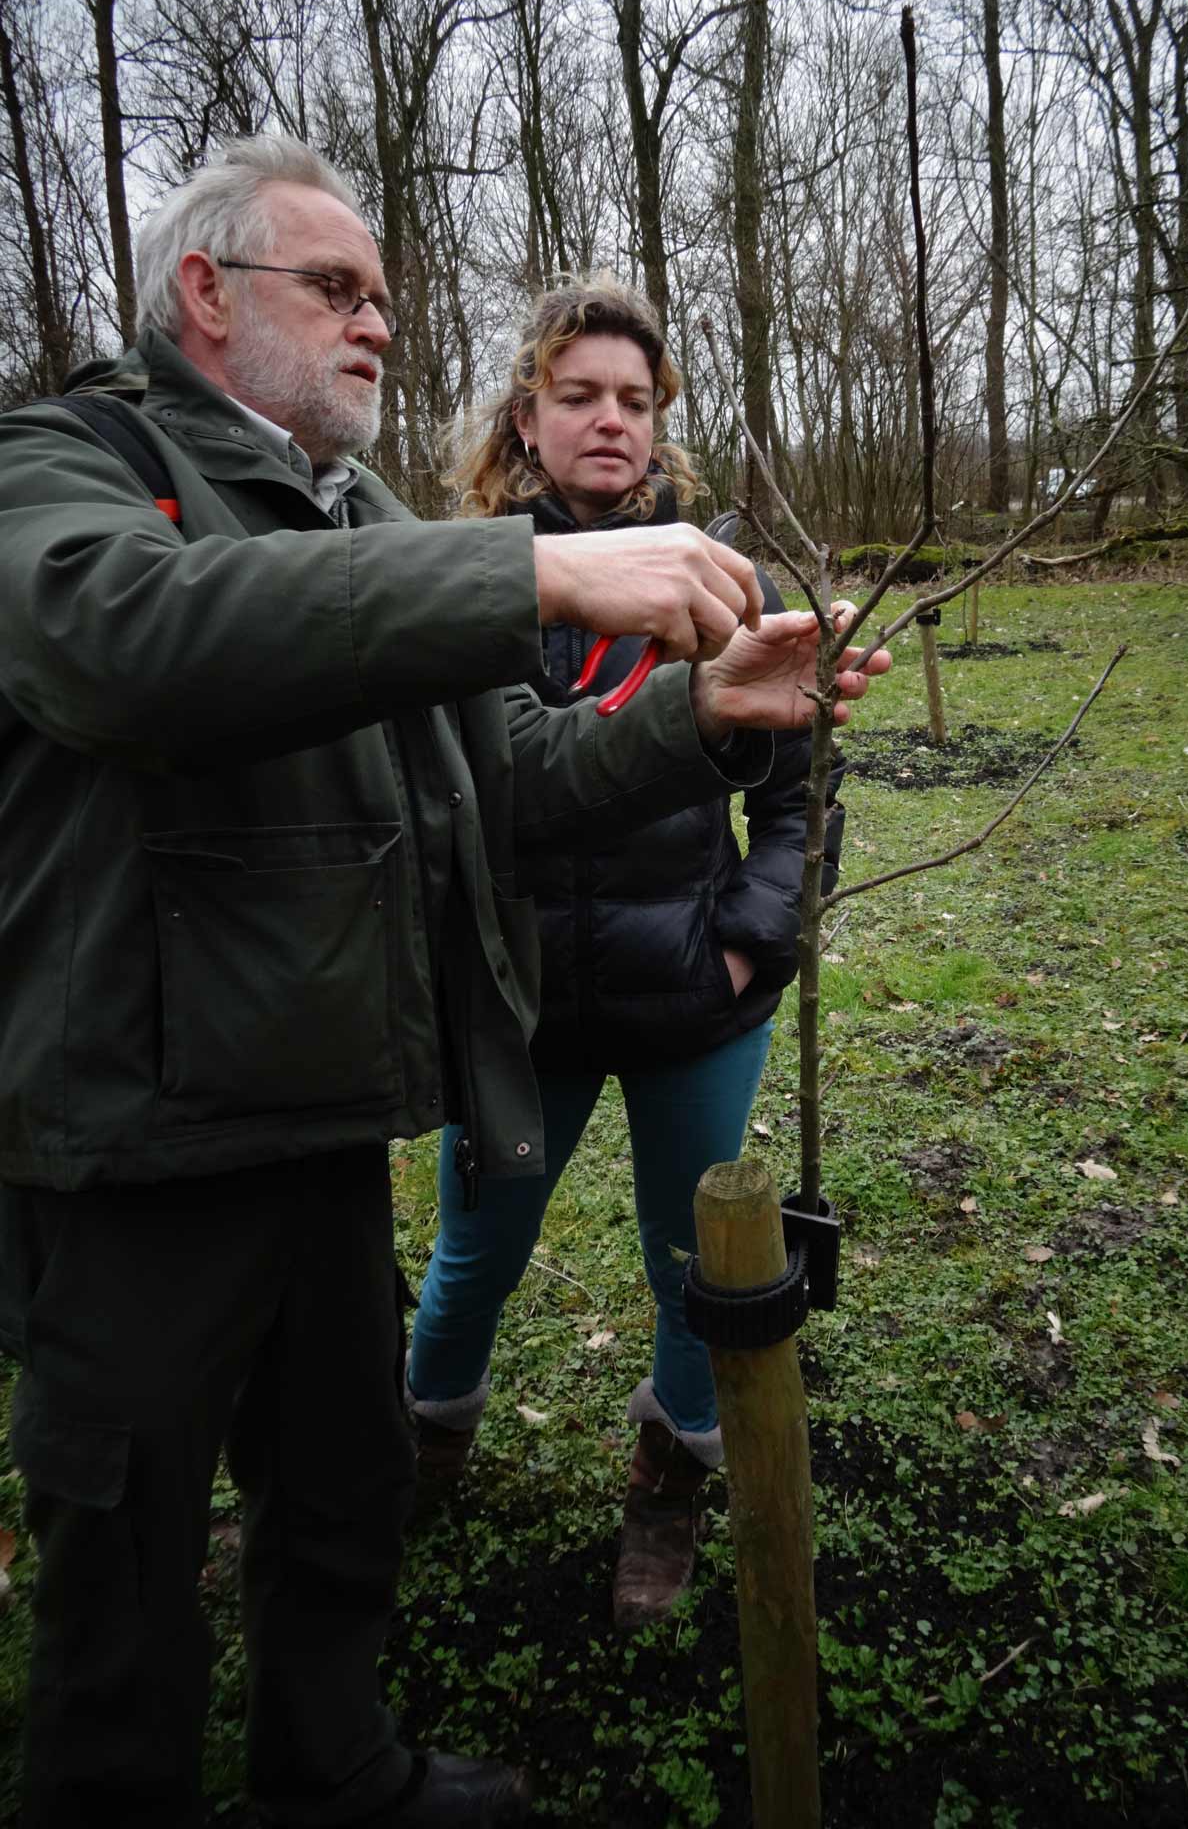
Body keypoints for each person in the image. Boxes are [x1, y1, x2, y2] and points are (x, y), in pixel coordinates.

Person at [0, 135, 888, 1829]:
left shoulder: (359, 512)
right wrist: (529, 570)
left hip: (320, 1122)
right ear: (206, 291)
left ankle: (339, 1769)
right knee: (120, 1586)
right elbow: (118, 639)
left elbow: (518, 777)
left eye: (387, 302)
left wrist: (703, 718)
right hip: (129, 1148)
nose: (376, 328)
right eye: (336, 289)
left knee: (337, 1494)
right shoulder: (69, 462)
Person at [405, 275, 845, 1627]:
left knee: (692, 1258)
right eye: (578, 395)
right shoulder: (458, 585)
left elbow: (798, 804)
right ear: (524, 417)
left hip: (689, 1000)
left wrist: (746, 948)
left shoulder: (731, 586)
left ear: (662, 426)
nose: (609, 421)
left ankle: (669, 1474)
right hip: (517, 1009)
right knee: (474, 1249)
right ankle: (417, 1456)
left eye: (635, 401)